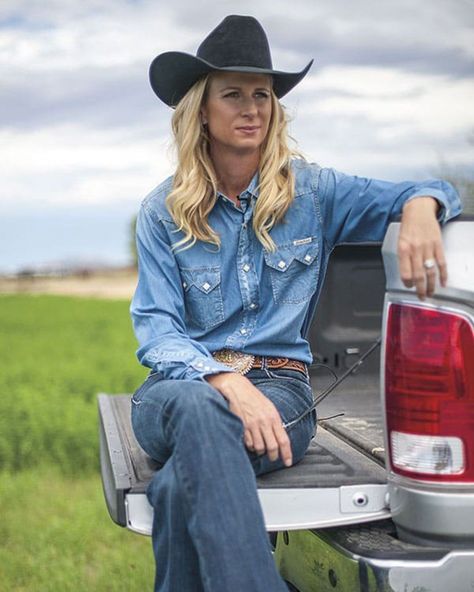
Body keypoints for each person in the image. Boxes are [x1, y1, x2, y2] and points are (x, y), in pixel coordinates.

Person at [130, 14, 461, 592]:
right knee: (196, 407)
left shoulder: (314, 194)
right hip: (179, 393)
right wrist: (226, 384)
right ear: (200, 110)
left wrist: (420, 207)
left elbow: (424, 190)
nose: (252, 107)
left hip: (282, 392)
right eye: (233, 94)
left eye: (262, 95)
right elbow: (158, 329)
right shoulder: (163, 213)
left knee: (179, 483)